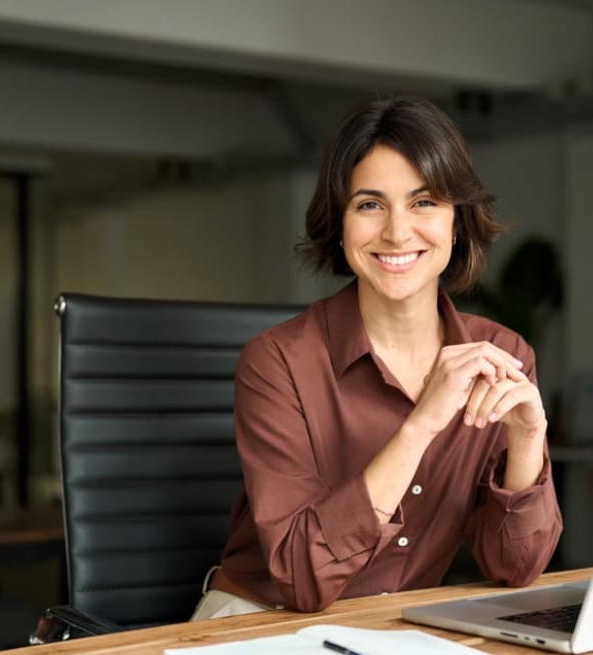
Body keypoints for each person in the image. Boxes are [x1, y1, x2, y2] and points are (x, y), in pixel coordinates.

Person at [192, 94, 562, 620]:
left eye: (424, 202)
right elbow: (301, 578)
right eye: (369, 205)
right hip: (258, 622)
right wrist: (420, 426)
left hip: (398, 630)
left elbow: (515, 568)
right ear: (339, 226)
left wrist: (527, 442)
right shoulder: (276, 362)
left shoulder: (503, 355)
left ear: (456, 221)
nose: (396, 231)